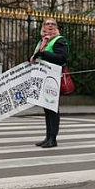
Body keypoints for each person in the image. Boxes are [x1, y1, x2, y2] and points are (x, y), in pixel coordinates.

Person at [30, 18, 69, 148]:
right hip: (43, 78)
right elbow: (37, 56)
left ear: (56, 27)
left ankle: (53, 138)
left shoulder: (60, 40)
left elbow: (61, 58)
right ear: (43, 27)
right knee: (47, 108)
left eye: (53, 24)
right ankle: (48, 137)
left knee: (52, 108)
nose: (50, 26)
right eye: (48, 24)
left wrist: (43, 54)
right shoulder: (43, 41)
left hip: (53, 78)